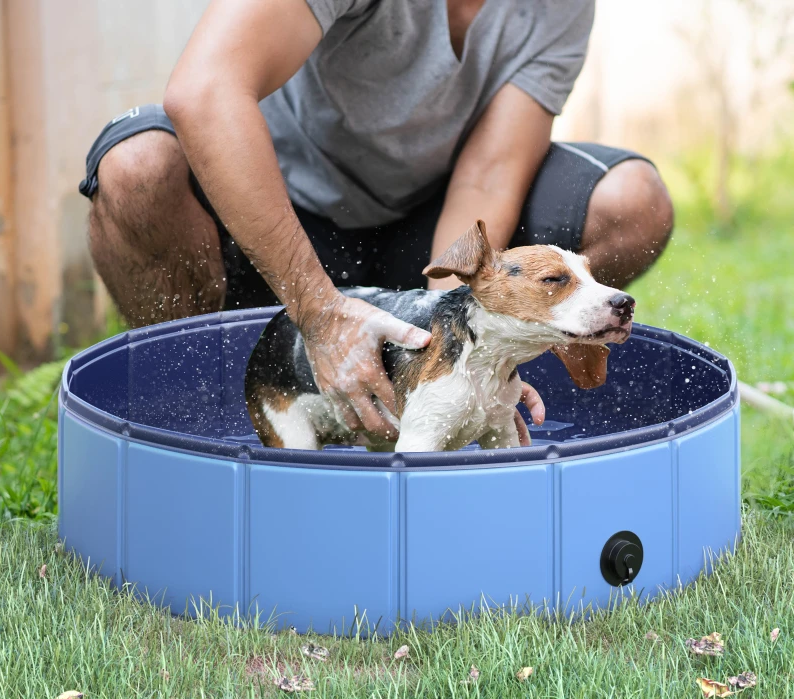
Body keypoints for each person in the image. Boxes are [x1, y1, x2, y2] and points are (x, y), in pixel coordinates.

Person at [80, 0, 674, 443]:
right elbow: (205, 90)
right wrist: (317, 311)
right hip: (279, 220)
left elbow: (490, 173)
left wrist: (465, 350)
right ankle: (196, 414)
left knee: (631, 199)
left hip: (430, 229)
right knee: (136, 168)